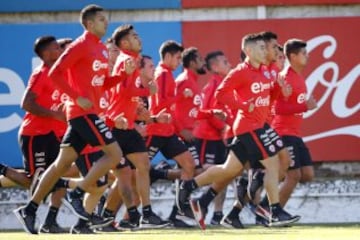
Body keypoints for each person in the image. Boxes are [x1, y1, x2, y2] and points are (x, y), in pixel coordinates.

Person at [14, 5, 135, 234]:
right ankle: (77, 192)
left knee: (60, 164)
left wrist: (122, 75)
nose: (105, 22)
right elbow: (54, 73)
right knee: (115, 154)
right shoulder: (80, 45)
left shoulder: (99, 48)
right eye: (100, 19)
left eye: (105, 19)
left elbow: (102, 84)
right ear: (89, 24)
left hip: (88, 113)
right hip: (82, 114)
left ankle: (29, 209)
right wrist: (77, 98)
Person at [177, 33, 300, 229]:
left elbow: (268, 97)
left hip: (256, 125)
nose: (266, 51)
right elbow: (221, 94)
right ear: (248, 51)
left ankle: (190, 187)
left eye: (266, 47)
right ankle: (274, 211)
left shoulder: (264, 72)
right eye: (262, 48)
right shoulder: (241, 71)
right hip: (249, 126)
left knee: (229, 169)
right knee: (274, 164)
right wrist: (243, 105)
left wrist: (279, 92)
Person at [104, 24, 168, 229]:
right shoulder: (126, 60)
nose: (139, 39)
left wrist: (144, 97)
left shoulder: (129, 60)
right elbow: (121, 92)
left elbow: (125, 91)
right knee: (110, 177)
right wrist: (146, 92)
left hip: (126, 125)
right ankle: (95, 211)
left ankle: (143, 213)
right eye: (134, 36)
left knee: (141, 167)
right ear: (124, 43)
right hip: (115, 125)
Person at [272, 39, 317, 208]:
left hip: (295, 133)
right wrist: (305, 106)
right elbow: (277, 108)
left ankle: (263, 184)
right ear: (293, 56)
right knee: (294, 175)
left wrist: (304, 106)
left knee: (307, 174)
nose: (308, 56)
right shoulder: (285, 78)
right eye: (304, 54)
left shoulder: (299, 77)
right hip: (283, 133)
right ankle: (272, 211)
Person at [190, 50, 231, 226]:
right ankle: (185, 200)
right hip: (208, 137)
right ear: (215, 67)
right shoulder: (213, 85)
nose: (229, 64)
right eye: (225, 61)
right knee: (217, 171)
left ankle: (217, 214)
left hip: (221, 137)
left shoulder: (225, 83)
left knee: (226, 173)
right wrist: (224, 128)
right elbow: (207, 112)